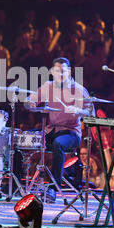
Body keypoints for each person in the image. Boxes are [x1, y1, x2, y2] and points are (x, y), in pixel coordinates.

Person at [24, 57, 92, 203]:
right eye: (57, 71)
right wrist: (30, 102)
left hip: (71, 133)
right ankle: (19, 183)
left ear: (70, 72)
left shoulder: (79, 90)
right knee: (22, 138)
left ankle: (53, 188)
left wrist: (78, 110)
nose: (60, 74)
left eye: (63, 71)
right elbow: (31, 100)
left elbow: (91, 113)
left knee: (58, 143)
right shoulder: (47, 86)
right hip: (51, 130)